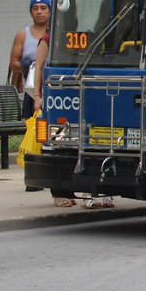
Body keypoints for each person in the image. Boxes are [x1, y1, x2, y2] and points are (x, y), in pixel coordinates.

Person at [30, 29, 114, 208]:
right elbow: (38, 67)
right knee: (58, 143)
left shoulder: (92, 36)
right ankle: (60, 193)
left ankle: (92, 192)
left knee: (92, 142)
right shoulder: (48, 39)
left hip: (85, 93)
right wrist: (38, 96)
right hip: (61, 96)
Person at [10, 0, 51, 119]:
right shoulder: (22, 35)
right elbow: (13, 64)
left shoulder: (58, 34)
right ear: (31, 13)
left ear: (50, 11)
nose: (39, 12)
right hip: (32, 88)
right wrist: (29, 67)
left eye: (43, 8)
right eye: (35, 8)